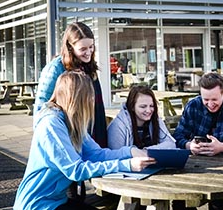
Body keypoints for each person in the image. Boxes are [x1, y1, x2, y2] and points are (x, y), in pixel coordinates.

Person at [13, 71, 156, 210]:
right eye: (89, 97)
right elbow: (76, 170)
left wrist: (131, 152)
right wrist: (127, 164)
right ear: (77, 99)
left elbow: (97, 154)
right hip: (37, 205)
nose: (92, 102)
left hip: (56, 201)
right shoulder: (51, 125)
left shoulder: (73, 123)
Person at [34, 22, 107, 148]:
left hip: (89, 128)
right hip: (67, 132)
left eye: (91, 47)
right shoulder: (54, 69)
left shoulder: (88, 66)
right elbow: (41, 108)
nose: (88, 52)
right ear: (70, 47)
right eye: (83, 49)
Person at [173, 72, 223, 156]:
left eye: (214, 99)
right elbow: (177, 136)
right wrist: (189, 145)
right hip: (198, 159)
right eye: (206, 99)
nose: (210, 104)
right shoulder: (193, 106)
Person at [107, 85, 176, 150]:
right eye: (143, 106)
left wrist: (146, 151)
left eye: (151, 106)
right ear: (132, 107)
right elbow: (116, 155)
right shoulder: (118, 126)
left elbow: (171, 143)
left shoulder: (155, 119)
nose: (148, 111)